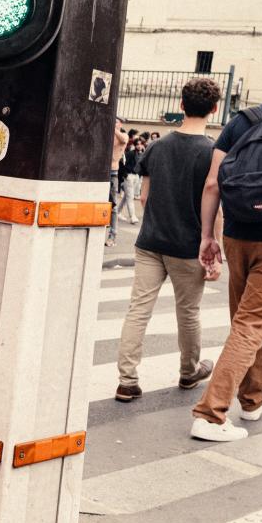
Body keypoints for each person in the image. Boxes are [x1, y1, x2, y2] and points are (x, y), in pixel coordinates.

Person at [190, 53, 262, 441]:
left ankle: (254, 398)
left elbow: (213, 183)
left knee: (245, 321)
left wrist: (207, 236)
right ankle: (210, 414)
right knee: (251, 325)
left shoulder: (242, 121)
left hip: (237, 233)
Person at [114, 78, 222, 403]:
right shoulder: (211, 153)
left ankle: (127, 381)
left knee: (138, 310)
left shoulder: (156, 147)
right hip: (188, 247)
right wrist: (215, 248)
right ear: (215, 109)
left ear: (180, 105)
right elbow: (214, 206)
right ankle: (189, 372)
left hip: (150, 243)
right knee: (188, 312)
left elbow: (144, 198)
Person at [107, 118, 128, 248]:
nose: (113, 123)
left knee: (113, 206)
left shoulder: (123, 135)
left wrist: (113, 127)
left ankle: (112, 236)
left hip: (113, 172)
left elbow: (124, 140)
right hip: (101, 172)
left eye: (116, 121)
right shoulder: (108, 134)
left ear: (120, 124)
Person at [119, 131, 142, 223]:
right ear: (134, 145)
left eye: (140, 144)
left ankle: (118, 211)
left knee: (127, 196)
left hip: (136, 176)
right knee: (130, 197)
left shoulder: (140, 154)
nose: (139, 146)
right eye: (138, 144)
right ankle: (132, 216)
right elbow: (122, 164)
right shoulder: (130, 153)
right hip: (129, 176)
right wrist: (125, 175)